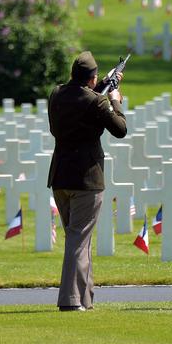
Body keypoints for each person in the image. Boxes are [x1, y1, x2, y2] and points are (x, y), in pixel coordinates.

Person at [47, 51, 127, 312]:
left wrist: (100, 87)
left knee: (80, 240)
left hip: (60, 176)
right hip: (87, 178)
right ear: (92, 79)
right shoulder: (97, 102)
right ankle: (70, 300)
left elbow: (74, 105)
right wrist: (115, 100)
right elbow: (120, 129)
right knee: (78, 240)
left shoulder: (57, 94)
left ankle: (85, 297)